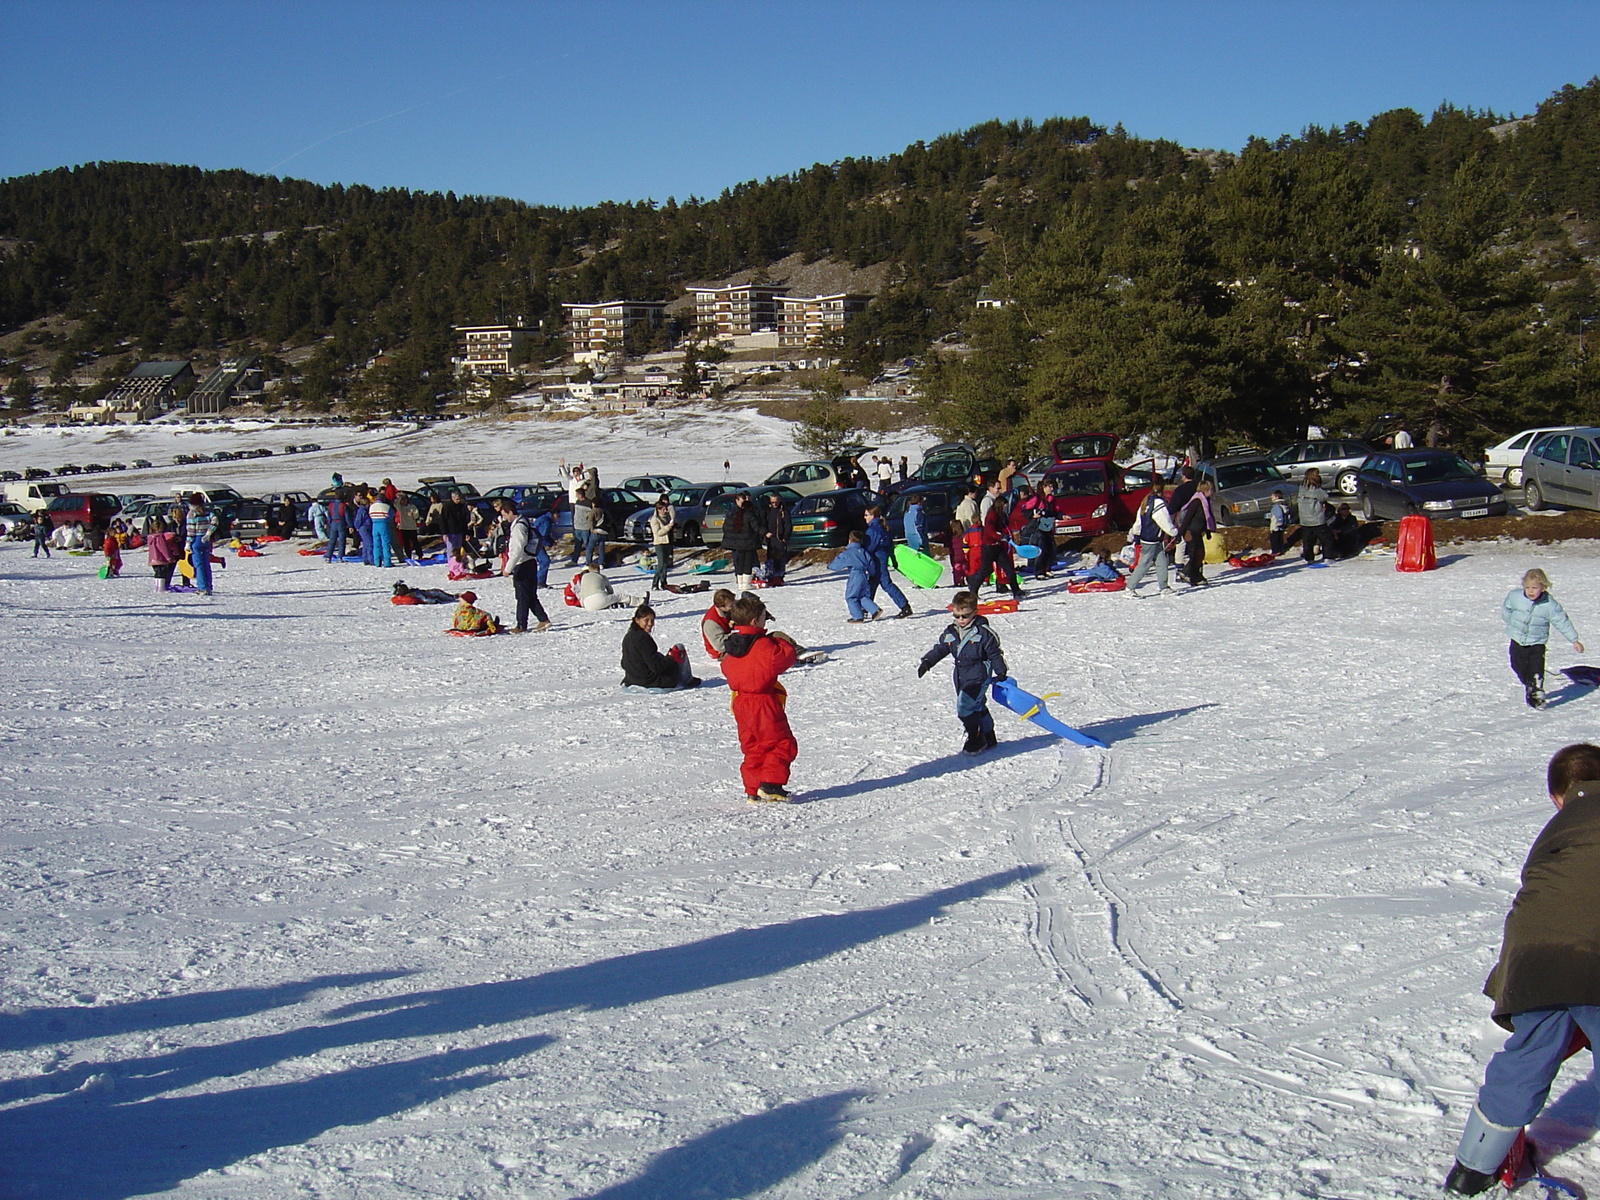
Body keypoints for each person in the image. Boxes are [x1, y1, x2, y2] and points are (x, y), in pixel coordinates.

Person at [1442, 743, 1600, 1195]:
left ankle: (1473, 1167)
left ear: (1558, 796)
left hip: (1536, 957)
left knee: (1528, 1055)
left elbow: (1536, 907)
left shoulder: (1556, 830)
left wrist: (1513, 983)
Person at [720, 594, 799, 801]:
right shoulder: (764, 646)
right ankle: (771, 784)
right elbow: (783, 658)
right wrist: (782, 641)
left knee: (753, 746)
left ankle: (752, 788)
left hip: (740, 702)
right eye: (764, 617)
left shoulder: (732, 646)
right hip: (762, 702)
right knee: (781, 743)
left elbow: (726, 667)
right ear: (755, 621)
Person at [917, 589, 1009, 755]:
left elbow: (995, 653)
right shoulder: (951, 631)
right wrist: (928, 661)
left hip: (978, 675)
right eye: (957, 616)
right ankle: (989, 735)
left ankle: (976, 736)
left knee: (965, 707)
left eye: (965, 616)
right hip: (960, 675)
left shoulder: (984, 633)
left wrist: (1001, 672)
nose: (961, 620)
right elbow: (941, 648)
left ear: (974, 612)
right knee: (977, 705)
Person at [1502, 568, 1584, 709]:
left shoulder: (1550, 605)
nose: (1530, 591)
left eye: (1535, 588)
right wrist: (1512, 623)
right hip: (1517, 639)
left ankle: (1537, 695)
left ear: (1544, 588)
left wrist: (1574, 640)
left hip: (1537, 642)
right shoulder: (1515, 596)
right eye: (1527, 587)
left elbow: (1562, 621)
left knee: (1536, 669)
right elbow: (1507, 609)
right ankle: (1530, 686)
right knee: (1517, 666)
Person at [498, 497, 552, 633]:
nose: (504, 518)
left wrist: (507, 568)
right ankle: (543, 620)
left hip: (523, 564)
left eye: (504, 515)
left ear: (510, 512)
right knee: (530, 595)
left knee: (522, 596)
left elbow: (517, 550)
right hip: (529, 563)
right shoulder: (525, 521)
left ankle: (521, 625)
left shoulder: (518, 527)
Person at [621, 603, 699, 689]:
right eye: (646, 620)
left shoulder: (628, 636)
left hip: (633, 680)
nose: (650, 623)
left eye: (652, 620)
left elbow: (624, 663)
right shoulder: (643, 639)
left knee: (658, 655)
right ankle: (688, 680)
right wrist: (672, 657)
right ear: (637, 620)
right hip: (649, 682)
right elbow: (656, 667)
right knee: (679, 648)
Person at [1125, 479, 1178, 597]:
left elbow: (1139, 521)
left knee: (1162, 562)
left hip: (1149, 538)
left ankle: (1164, 587)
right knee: (1144, 564)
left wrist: (1133, 534)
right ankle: (1130, 587)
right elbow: (1164, 521)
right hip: (1152, 539)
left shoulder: (1146, 500)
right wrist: (1174, 532)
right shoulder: (1158, 503)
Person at [863, 504, 912, 618]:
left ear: (873, 515)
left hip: (877, 560)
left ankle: (905, 606)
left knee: (885, 583)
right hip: (880, 558)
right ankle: (865, 608)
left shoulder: (873, 530)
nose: (864, 518)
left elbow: (870, 547)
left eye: (866, 515)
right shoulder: (882, 527)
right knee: (872, 583)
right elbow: (889, 545)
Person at [830, 531, 881, 623]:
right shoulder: (864, 551)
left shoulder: (848, 553)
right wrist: (872, 574)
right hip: (864, 575)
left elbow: (836, 564)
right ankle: (874, 609)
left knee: (851, 596)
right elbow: (871, 564)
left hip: (855, 574)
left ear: (850, 540)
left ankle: (857, 616)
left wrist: (831, 566)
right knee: (861, 596)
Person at [722, 491, 764, 594]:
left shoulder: (746, 511)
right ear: (737, 501)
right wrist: (765, 532)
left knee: (743, 562)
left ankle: (742, 583)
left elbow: (726, 527)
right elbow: (756, 526)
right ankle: (744, 583)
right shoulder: (735, 512)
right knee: (744, 562)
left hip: (739, 541)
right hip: (745, 541)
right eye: (742, 501)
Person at [1175, 479, 1215, 587]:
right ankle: (1185, 572)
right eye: (1211, 489)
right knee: (1195, 555)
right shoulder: (1197, 501)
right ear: (1206, 490)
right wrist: (1180, 533)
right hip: (1191, 531)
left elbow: (1206, 518)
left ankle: (1196, 576)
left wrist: (1208, 531)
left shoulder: (1206, 501)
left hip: (1197, 531)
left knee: (1200, 554)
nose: (1212, 491)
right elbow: (1188, 518)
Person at [186, 495, 218, 596]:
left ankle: (202, 587)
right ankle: (209, 586)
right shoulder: (208, 512)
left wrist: (188, 543)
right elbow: (215, 520)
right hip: (206, 540)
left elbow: (191, 530)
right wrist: (209, 533)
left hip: (196, 539)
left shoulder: (192, 514)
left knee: (198, 565)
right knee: (206, 563)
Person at [1296, 468, 1329, 564]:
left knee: (1307, 541)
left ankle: (1309, 558)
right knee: (1326, 539)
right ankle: (1328, 557)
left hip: (1305, 520)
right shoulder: (1316, 489)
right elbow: (1325, 496)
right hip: (1317, 519)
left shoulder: (1301, 488)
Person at [760, 490, 790, 585]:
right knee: (771, 560)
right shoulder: (768, 511)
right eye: (772, 502)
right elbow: (763, 523)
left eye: (776, 502)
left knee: (780, 560)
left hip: (780, 539)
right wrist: (765, 533)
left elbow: (788, 525)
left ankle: (780, 577)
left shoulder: (783, 511)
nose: (774, 504)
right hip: (770, 539)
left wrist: (785, 537)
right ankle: (772, 577)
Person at [647, 497, 675, 591]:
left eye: (666, 509)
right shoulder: (654, 519)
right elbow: (658, 532)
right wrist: (668, 527)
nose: (665, 511)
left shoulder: (666, 517)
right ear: (658, 509)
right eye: (663, 509)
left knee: (665, 564)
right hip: (659, 543)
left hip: (667, 542)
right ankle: (655, 583)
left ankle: (664, 583)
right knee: (661, 564)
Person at [437, 489, 472, 565]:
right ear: (452, 498)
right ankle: (451, 564)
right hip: (450, 532)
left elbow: (464, 520)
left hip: (459, 532)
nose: (458, 501)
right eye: (457, 499)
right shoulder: (446, 506)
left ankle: (458, 564)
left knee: (458, 550)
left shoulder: (461, 506)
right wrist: (444, 532)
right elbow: (443, 520)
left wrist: (466, 532)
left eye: (459, 499)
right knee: (450, 550)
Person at [701, 588, 737, 661]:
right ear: (721, 607)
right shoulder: (711, 622)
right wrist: (737, 633)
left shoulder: (727, 610)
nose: (734, 606)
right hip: (720, 651)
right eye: (731, 605)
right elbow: (719, 646)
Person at [146, 515, 179, 593]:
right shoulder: (159, 537)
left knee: (157, 573)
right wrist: (168, 557)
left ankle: (157, 587)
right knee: (162, 574)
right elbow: (163, 548)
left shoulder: (150, 537)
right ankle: (162, 588)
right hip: (161, 559)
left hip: (153, 559)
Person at [368, 491, 396, 567]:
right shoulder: (386, 506)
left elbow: (370, 515)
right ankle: (387, 562)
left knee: (376, 544)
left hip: (374, 525)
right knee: (385, 544)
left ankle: (377, 561)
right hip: (384, 524)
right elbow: (391, 514)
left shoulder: (372, 506)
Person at [395, 494, 421, 560]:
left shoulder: (412, 506)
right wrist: (399, 496)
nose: (404, 501)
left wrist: (413, 514)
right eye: (402, 500)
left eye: (405, 499)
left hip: (412, 527)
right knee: (406, 543)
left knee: (415, 542)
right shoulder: (400, 507)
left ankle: (420, 554)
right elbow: (395, 503)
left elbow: (416, 516)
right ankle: (408, 555)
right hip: (403, 527)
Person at [1267, 489, 1292, 557]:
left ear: (1277, 497)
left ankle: (1275, 551)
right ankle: (1280, 549)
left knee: (1274, 539)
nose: (1271, 499)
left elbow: (1278, 515)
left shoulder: (1276, 506)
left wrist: (1278, 523)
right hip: (1282, 526)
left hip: (1276, 526)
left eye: (1272, 497)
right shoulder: (1284, 505)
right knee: (1280, 538)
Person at [391, 581, 457, 605]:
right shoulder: (414, 593)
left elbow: (392, 591)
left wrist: (396, 585)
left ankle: (452, 596)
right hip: (429, 594)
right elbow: (424, 599)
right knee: (438, 592)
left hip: (426, 593)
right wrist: (434, 601)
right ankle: (453, 597)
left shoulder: (399, 594)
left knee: (438, 592)